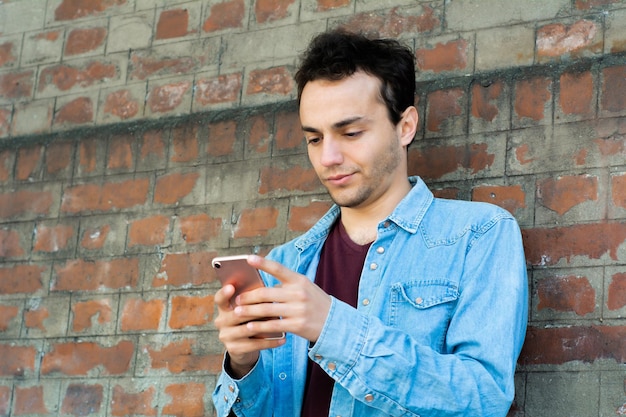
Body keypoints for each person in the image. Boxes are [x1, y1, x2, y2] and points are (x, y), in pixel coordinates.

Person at [212, 29, 528, 417]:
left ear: (405, 126)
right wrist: (242, 364)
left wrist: (333, 327)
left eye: (350, 133)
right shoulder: (284, 264)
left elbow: (485, 398)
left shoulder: (479, 235)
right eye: (314, 139)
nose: (327, 157)